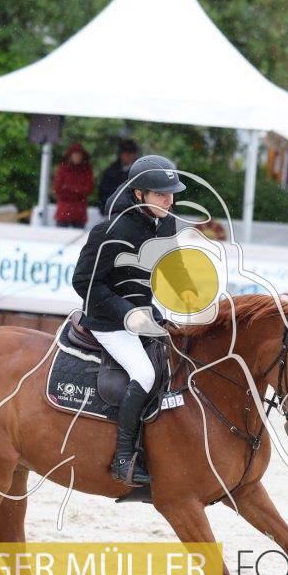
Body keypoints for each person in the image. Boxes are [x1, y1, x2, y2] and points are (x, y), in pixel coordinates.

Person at [72, 154, 195, 487]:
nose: (169, 201)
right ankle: (124, 457)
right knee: (145, 373)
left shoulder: (165, 222)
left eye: (171, 194)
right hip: (109, 321)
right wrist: (126, 312)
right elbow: (84, 282)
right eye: (161, 195)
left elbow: (173, 266)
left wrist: (190, 294)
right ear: (139, 194)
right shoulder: (109, 230)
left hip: (145, 316)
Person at [53, 143, 94, 228]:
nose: (77, 157)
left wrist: (68, 189)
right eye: (75, 154)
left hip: (79, 213)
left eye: (79, 155)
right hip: (64, 212)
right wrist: (78, 191)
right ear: (70, 156)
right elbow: (58, 189)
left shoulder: (87, 170)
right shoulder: (63, 169)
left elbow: (89, 189)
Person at [96, 138, 141, 214]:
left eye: (130, 153)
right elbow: (103, 193)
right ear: (120, 154)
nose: (127, 156)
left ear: (135, 154)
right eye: (125, 153)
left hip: (133, 213)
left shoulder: (140, 172)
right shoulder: (110, 172)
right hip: (113, 211)